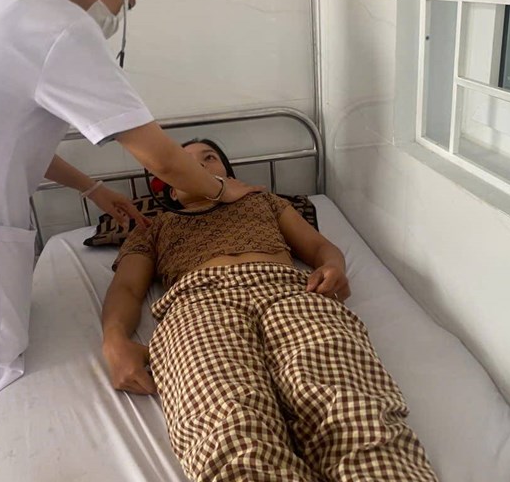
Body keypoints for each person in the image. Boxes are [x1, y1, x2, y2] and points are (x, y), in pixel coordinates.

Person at [0, 0, 261, 479]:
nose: (129, 6)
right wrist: (225, 191)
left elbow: (6, 135)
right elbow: (163, 160)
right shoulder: (56, 26)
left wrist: (92, 188)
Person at [102, 140, 439, 482]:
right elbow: (127, 288)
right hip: (197, 304)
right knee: (227, 423)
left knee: (349, 405)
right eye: (184, 161)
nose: (200, 165)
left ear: (228, 174)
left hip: (290, 291)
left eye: (210, 158)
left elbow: (319, 247)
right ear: (171, 190)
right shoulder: (154, 226)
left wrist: (333, 267)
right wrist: (114, 341)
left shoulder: (263, 201)